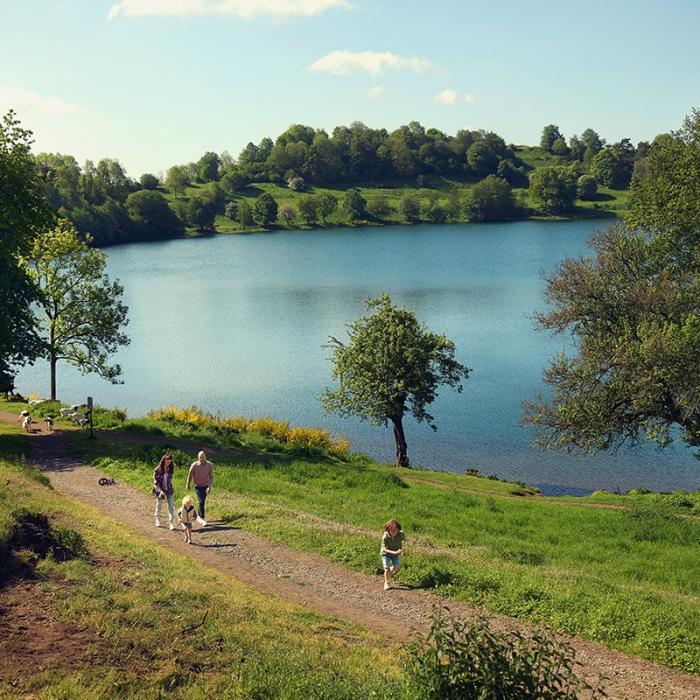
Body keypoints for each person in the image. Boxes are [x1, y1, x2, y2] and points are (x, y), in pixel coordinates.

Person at [186, 450, 213, 526]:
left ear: (205, 457)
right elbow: (190, 475)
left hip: (205, 486)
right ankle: (201, 518)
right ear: (198, 458)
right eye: (200, 457)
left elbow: (211, 477)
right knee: (201, 501)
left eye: (203, 457)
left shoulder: (209, 465)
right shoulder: (194, 465)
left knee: (202, 502)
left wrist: (209, 486)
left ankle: (199, 516)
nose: (201, 459)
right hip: (197, 486)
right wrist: (188, 484)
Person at [380, 518, 406, 590]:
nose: (395, 532)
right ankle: (386, 583)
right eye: (393, 530)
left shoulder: (400, 534)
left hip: (396, 554)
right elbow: (384, 549)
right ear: (388, 530)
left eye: (397, 530)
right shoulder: (385, 537)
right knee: (387, 568)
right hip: (386, 554)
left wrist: (402, 550)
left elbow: (404, 541)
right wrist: (395, 552)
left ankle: (387, 575)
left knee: (397, 568)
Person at [153, 453, 176, 530]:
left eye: (169, 462)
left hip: (169, 490)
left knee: (171, 507)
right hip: (160, 490)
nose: (168, 463)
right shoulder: (157, 470)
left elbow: (169, 480)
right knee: (159, 505)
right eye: (167, 462)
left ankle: (171, 523)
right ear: (163, 461)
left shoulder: (170, 469)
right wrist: (160, 491)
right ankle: (157, 519)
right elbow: (156, 482)